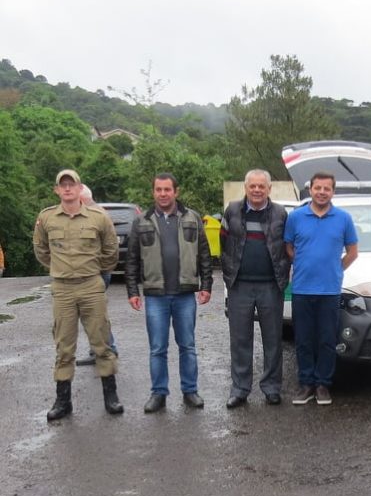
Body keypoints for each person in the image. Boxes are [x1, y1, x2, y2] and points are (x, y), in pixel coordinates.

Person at [33, 169, 123, 420]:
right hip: (62, 288)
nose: (68, 189)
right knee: (64, 346)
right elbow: (40, 249)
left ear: (79, 187)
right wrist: (59, 268)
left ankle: (111, 396)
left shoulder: (97, 217)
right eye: (63, 185)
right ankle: (63, 401)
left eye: (71, 184)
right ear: (57, 190)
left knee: (102, 342)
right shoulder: (47, 217)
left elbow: (111, 249)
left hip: (91, 285)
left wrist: (98, 269)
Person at [126, 173, 213, 413]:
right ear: (153, 192)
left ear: (176, 191)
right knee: (157, 348)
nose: (163, 194)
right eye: (158, 190)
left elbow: (204, 254)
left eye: (167, 190)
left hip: (185, 294)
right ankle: (158, 393)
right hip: (156, 296)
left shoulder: (192, 218)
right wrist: (132, 290)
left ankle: (190, 391)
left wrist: (206, 285)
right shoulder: (141, 221)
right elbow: (132, 259)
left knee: (187, 345)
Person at [284, 172, 358, 406]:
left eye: (327, 188)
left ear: (333, 192)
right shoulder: (296, 217)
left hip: (329, 290)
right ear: (311, 189)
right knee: (304, 339)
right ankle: (306, 384)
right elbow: (288, 248)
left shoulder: (343, 218)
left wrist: (336, 269)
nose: (322, 192)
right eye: (318, 188)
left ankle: (323, 384)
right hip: (302, 289)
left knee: (327, 339)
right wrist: (305, 264)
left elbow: (353, 252)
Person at [220, 169, 290, 408]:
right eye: (253, 186)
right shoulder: (232, 210)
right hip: (240, 285)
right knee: (240, 340)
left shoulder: (281, 213)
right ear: (246, 188)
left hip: (271, 285)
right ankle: (240, 389)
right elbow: (224, 244)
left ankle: (272, 388)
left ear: (269, 189)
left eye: (262, 186)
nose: (257, 190)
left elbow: (287, 246)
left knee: (273, 339)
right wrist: (229, 275)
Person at [75, 184, 117, 366]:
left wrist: (102, 269)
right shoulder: (98, 212)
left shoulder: (94, 216)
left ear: (81, 199)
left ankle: (106, 349)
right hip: (97, 272)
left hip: (95, 273)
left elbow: (110, 247)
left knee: (93, 313)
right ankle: (101, 349)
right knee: (94, 313)